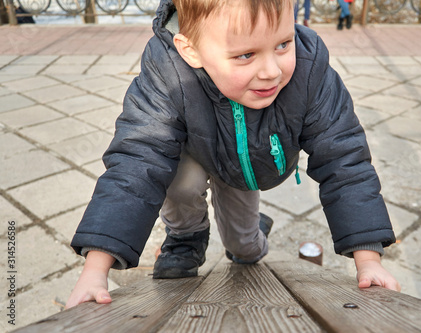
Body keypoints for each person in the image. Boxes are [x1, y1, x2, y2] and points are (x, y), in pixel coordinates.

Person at [66, 0, 400, 308]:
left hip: (250, 165)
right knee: (179, 183)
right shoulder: (167, 72)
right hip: (194, 149)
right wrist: (96, 268)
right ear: (191, 50)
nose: (271, 70)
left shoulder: (310, 71)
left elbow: (344, 159)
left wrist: (368, 259)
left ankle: (254, 232)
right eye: (245, 55)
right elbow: (137, 161)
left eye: (283, 44)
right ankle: (186, 238)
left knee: (245, 251)